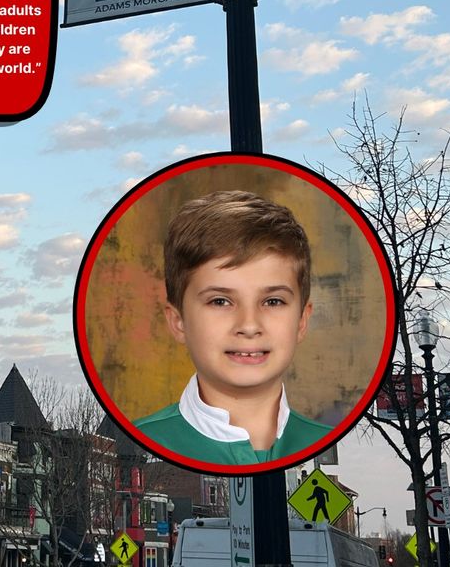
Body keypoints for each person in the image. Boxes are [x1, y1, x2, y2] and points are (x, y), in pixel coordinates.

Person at [134, 190, 331, 465]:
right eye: (220, 301)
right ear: (178, 322)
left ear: (301, 320)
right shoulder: (146, 442)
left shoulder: (320, 439)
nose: (249, 326)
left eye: (273, 301)